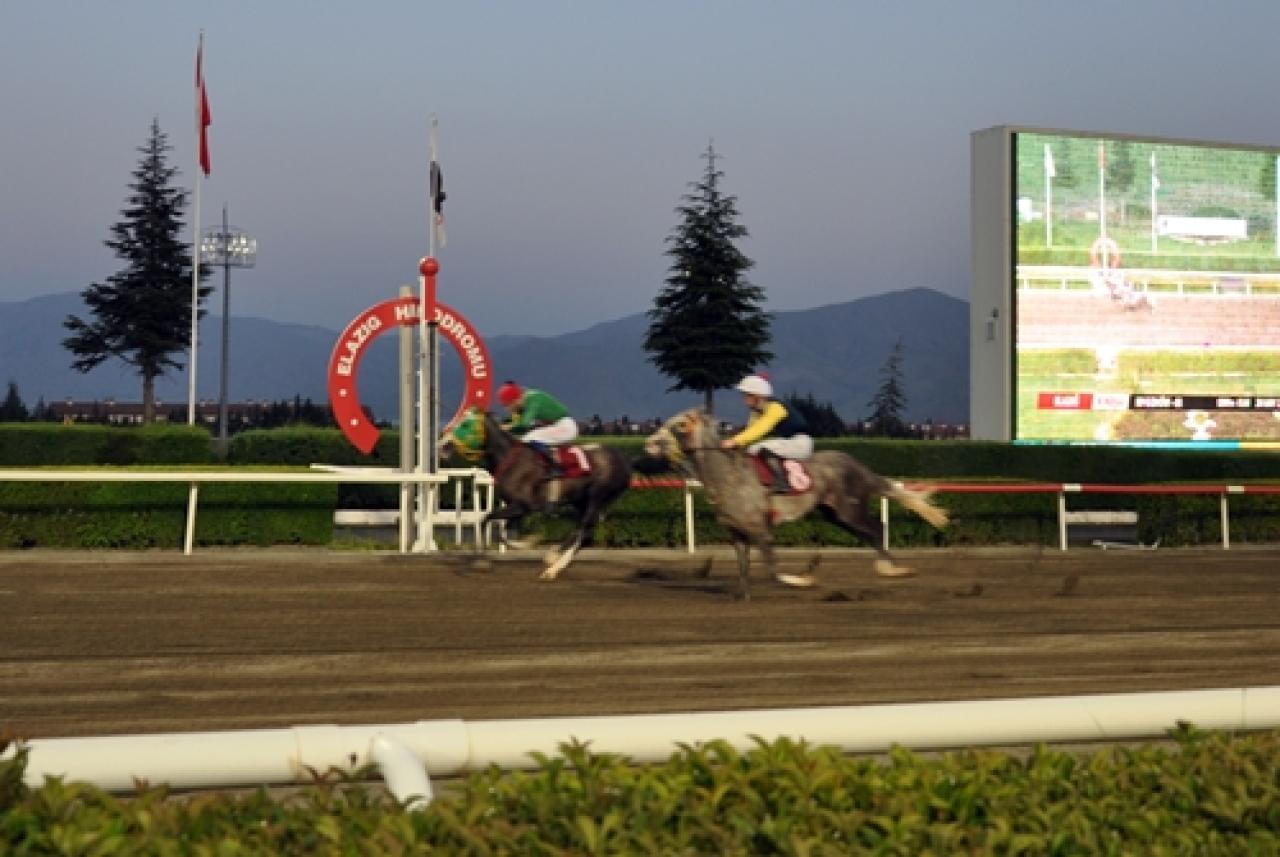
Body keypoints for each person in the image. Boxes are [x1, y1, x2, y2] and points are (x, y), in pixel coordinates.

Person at [719, 373, 813, 493]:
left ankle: (782, 482)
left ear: (758, 396)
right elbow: (749, 430)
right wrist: (732, 437)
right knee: (752, 449)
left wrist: (734, 441)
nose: (744, 399)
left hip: (800, 444)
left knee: (762, 448)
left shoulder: (776, 408)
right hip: (789, 442)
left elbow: (760, 429)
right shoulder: (756, 411)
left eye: (747, 395)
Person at [496, 380, 578, 477]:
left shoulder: (533, 399)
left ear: (515, 400)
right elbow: (516, 422)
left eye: (507, 405)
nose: (506, 409)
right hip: (557, 425)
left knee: (530, 437)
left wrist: (505, 428)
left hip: (565, 426)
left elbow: (524, 424)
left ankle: (555, 468)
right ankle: (547, 465)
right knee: (529, 437)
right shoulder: (526, 400)